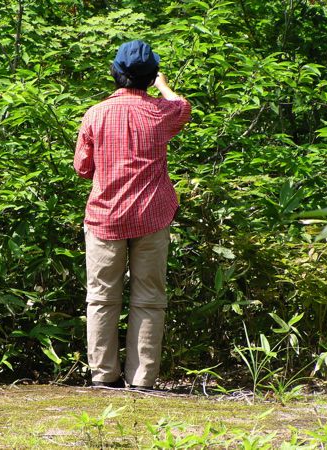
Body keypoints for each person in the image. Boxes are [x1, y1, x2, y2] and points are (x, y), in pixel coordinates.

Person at [74, 40, 191, 390]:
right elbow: (182, 106)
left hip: (105, 217)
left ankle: (103, 376)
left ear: (114, 73)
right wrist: (164, 85)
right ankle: (142, 379)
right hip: (152, 215)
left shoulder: (95, 114)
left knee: (101, 297)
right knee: (149, 297)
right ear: (151, 75)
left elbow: (82, 168)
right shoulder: (161, 112)